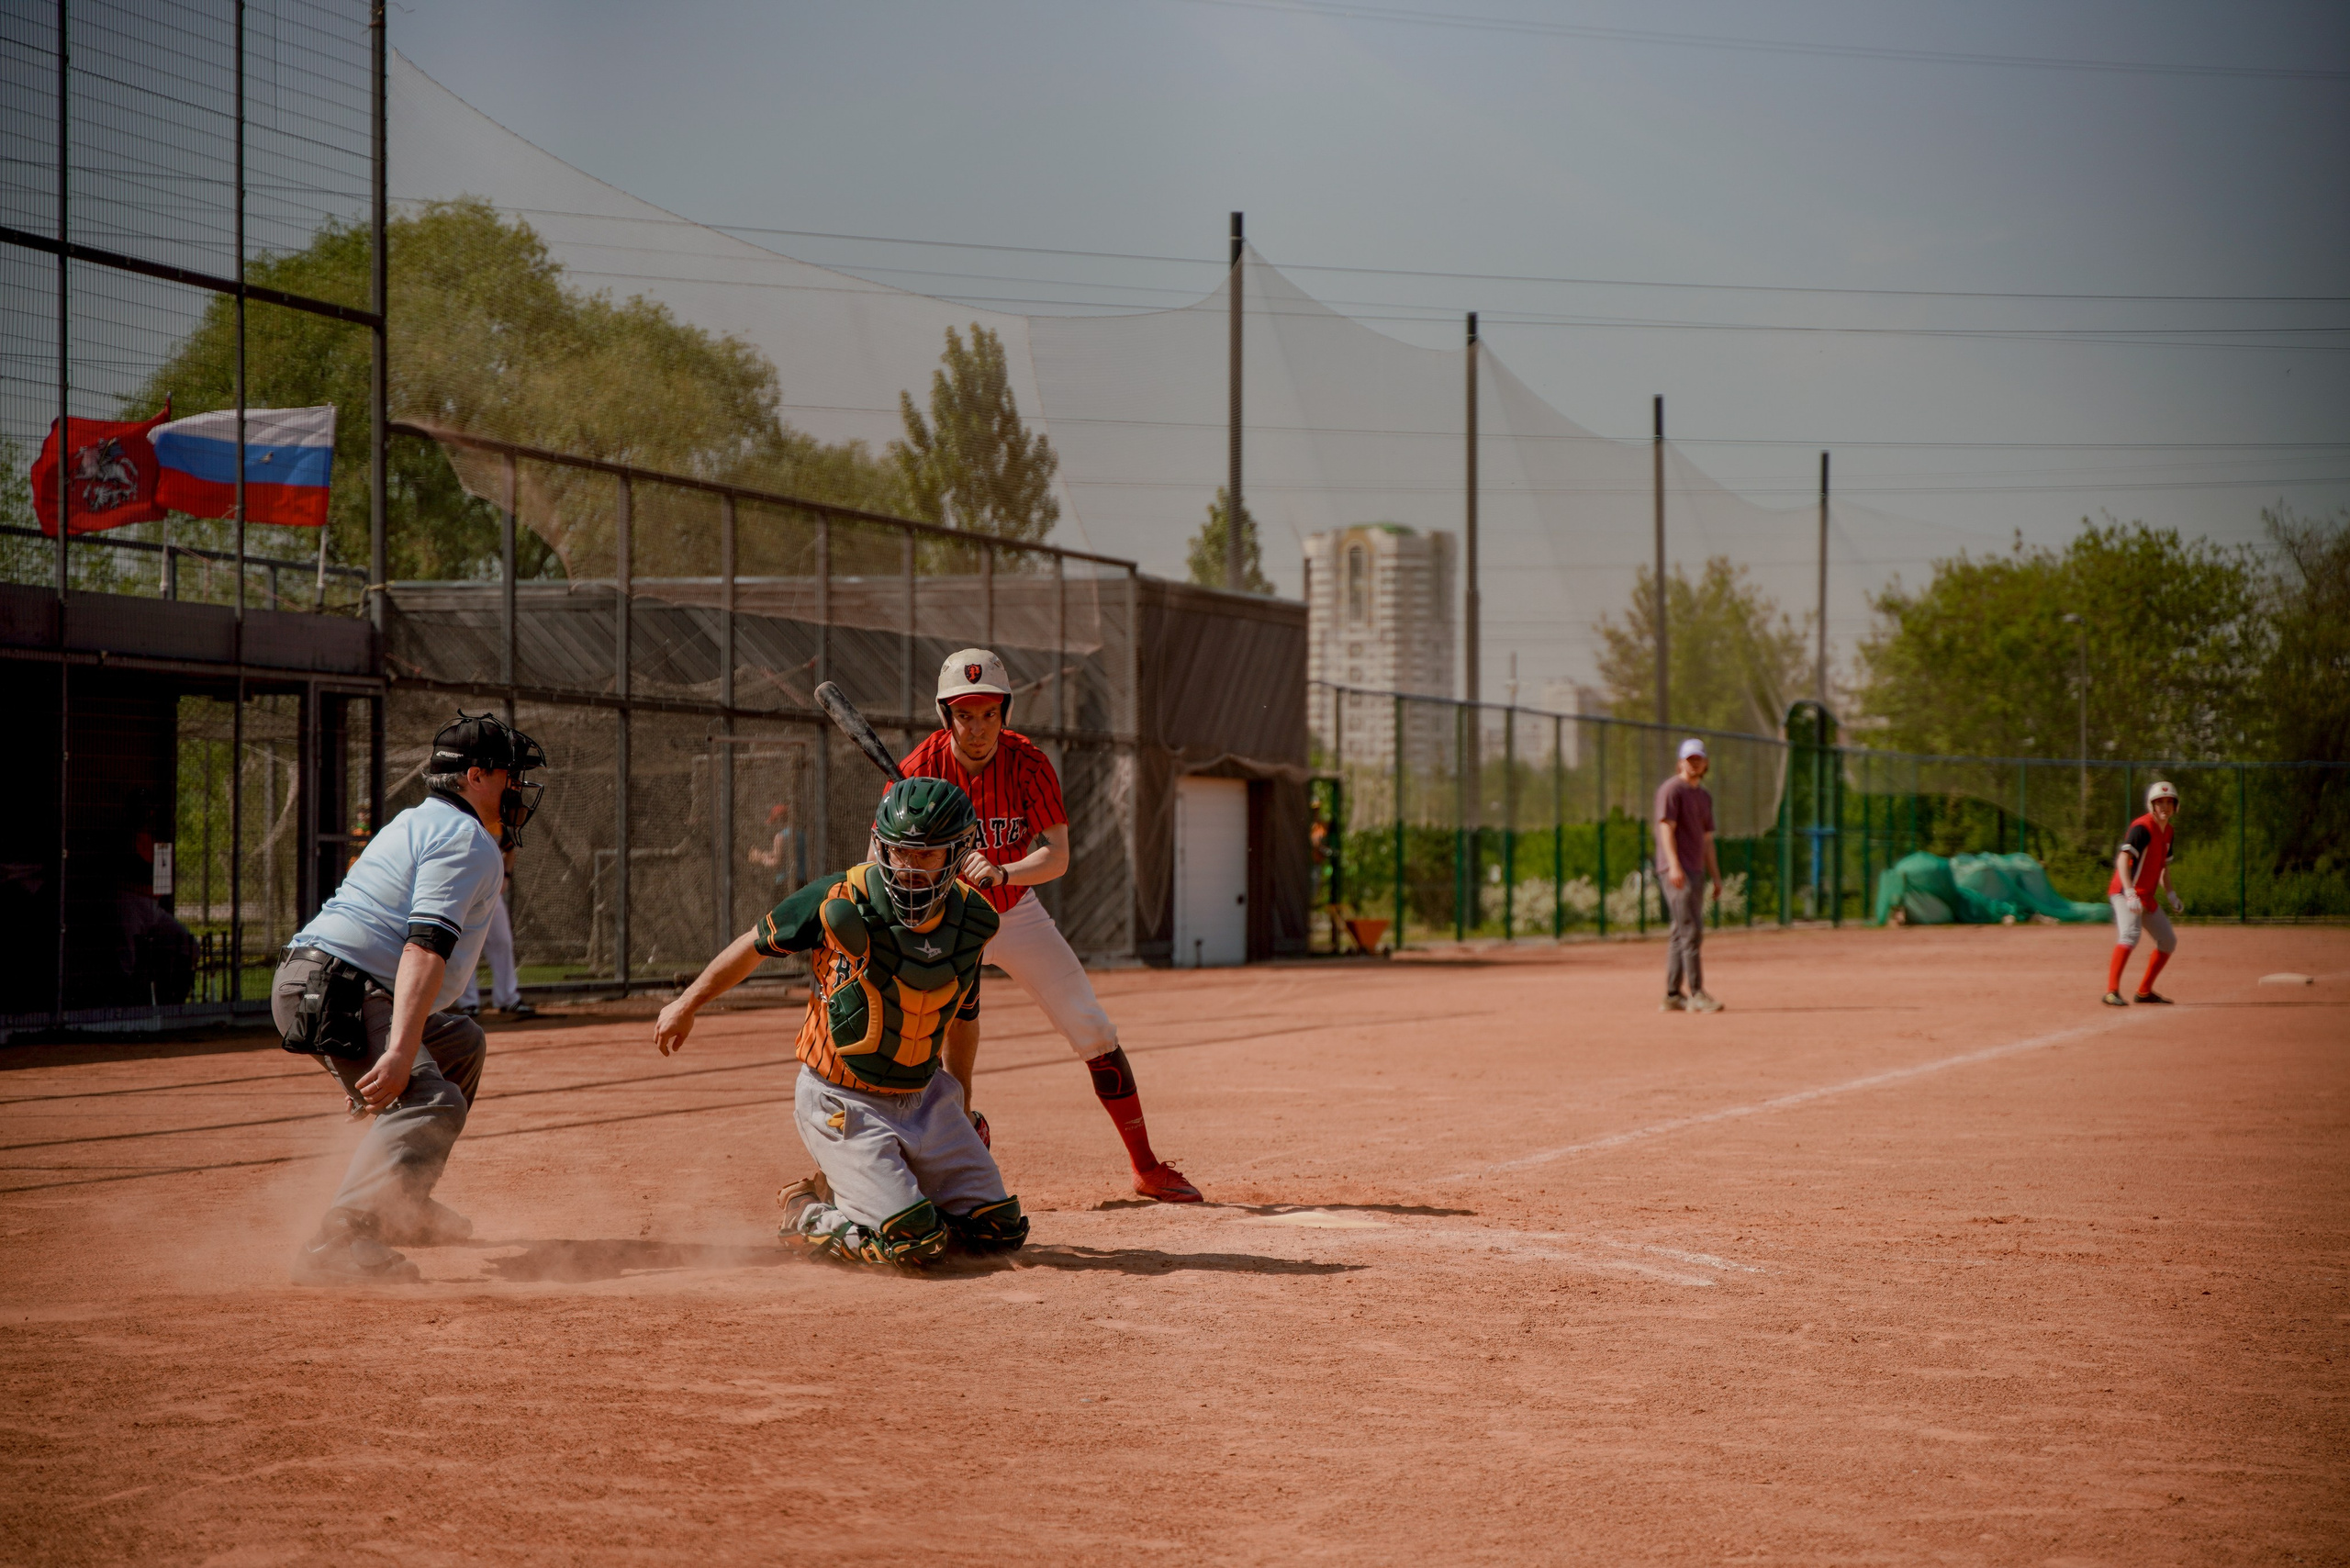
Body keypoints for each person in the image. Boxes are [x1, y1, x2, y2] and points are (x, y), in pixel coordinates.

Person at [654, 778, 1027, 1267]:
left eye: (927, 855)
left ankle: (894, 1195)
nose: (909, 868)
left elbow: (962, 1019)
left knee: (997, 1231)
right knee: (911, 1245)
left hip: (926, 1098)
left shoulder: (971, 922)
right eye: (899, 852)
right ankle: (807, 1211)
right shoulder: (840, 895)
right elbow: (755, 944)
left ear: (958, 854)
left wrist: (964, 1104)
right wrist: (687, 1003)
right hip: (842, 1099)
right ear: (881, 846)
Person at [901, 648, 1201, 1203]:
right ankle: (956, 1141)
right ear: (946, 716)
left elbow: (1057, 856)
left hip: (1015, 910)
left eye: (989, 713)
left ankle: (1146, 1166)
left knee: (1092, 1028)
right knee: (931, 1040)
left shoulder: (1028, 762)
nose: (978, 728)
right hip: (947, 919)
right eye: (965, 715)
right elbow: (890, 863)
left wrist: (1002, 871)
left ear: (1005, 713)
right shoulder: (918, 771)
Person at [273, 711, 546, 1284]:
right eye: (509, 775)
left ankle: (402, 1205)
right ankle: (336, 1244)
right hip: (339, 988)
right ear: (475, 776)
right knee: (431, 1101)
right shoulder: (467, 839)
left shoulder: (421, 819)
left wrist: (395, 1051)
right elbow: (424, 947)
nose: (517, 787)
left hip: (327, 981)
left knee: (461, 1042)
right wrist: (397, 1055)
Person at [1654, 737, 1723, 1014]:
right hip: (1677, 871)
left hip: (1695, 869)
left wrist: (1715, 876)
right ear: (1680, 762)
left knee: (1680, 932)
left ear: (1705, 763)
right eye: (1689, 759)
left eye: (1699, 759)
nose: (1694, 763)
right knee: (1691, 930)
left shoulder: (1704, 797)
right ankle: (1697, 993)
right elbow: (1665, 829)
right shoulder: (1672, 790)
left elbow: (1707, 841)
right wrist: (1674, 865)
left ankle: (1672, 995)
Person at [2106, 780, 2185, 1006]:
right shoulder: (2142, 827)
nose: (2165, 806)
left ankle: (2144, 992)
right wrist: (2130, 892)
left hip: (2146, 896)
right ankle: (2111, 991)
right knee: (2130, 935)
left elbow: (2163, 867)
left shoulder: (2168, 831)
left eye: (2169, 802)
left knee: (2168, 940)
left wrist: (2171, 894)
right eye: (2159, 802)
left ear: (2175, 806)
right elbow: (2123, 859)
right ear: (2151, 805)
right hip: (2125, 891)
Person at [459, 847, 536, 1019]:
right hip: (462, 887)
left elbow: (509, 851)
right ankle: (468, 1003)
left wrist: (506, 876)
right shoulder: (460, 829)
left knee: (502, 941)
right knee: (465, 946)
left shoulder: (499, 829)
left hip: (490, 890)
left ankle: (508, 998)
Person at [746, 801, 804, 890]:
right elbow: (780, 853)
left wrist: (761, 860)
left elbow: (777, 862)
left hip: (786, 880)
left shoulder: (780, 837)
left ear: (779, 820)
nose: (774, 826)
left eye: (774, 822)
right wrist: (762, 854)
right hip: (803, 880)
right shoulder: (801, 835)